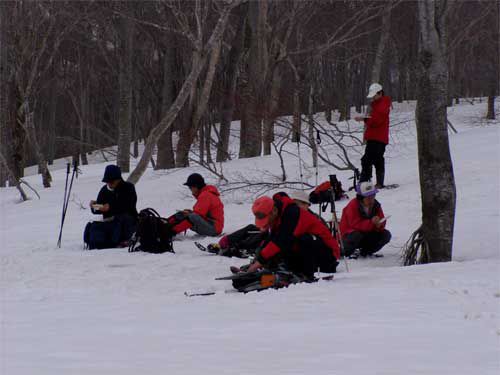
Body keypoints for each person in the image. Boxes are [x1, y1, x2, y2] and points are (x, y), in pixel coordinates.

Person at [245, 194, 340, 279]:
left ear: (274, 211)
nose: (267, 223)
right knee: (285, 244)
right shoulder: (279, 214)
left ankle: (306, 275)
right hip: (308, 253)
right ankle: (287, 268)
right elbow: (272, 240)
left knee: (303, 239)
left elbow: (280, 241)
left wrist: (259, 262)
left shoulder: (292, 213)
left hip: (328, 256)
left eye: (267, 219)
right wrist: (257, 261)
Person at [86, 165, 138, 248]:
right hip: (110, 223)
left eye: (112, 181)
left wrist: (110, 207)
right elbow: (99, 208)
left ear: (118, 179)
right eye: (107, 181)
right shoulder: (104, 190)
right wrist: (94, 207)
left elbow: (128, 206)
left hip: (127, 222)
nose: (109, 184)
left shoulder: (128, 187)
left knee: (125, 218)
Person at [339, 181, 391, 258]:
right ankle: (346, 253)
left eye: (373, 196)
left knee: (386, 235)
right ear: (361, 197)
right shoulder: (353, 205)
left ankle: (365, 252)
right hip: (349, 236)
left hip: (366, 234)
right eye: (368, 197)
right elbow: (355, 224)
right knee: (356, 235)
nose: (371, 199)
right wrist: (371, 223)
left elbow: (381, 220)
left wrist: (379, 225)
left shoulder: (376, 205)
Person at [354, 82, 391, 188]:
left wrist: (364, 119)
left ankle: (364, 183)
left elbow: (375, 121)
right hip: (375, 137)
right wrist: (365, 118)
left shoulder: (382, 104)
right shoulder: (378, 104)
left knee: (366, 160)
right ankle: (376, 183)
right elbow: (374, 119)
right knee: (377, 159)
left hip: (378, 137)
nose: (373, 98)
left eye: (374, 95)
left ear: (380, 93)